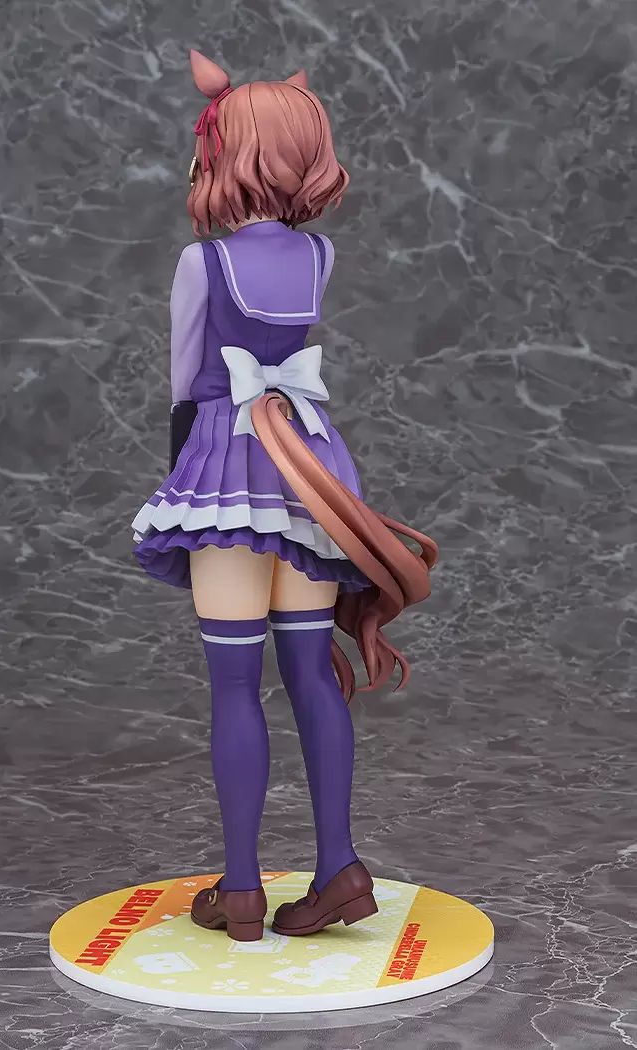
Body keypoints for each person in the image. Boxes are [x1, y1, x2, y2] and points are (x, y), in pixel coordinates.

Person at [131, 49, 438, 942]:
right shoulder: (318, 254)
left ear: (224, 151)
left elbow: (186, 382)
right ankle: (339, 865)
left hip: (228, 470)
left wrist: (182, 473)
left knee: (235, 683)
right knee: (310, 672)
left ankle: (240, 890)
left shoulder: (204, 263)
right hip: (309, 470)